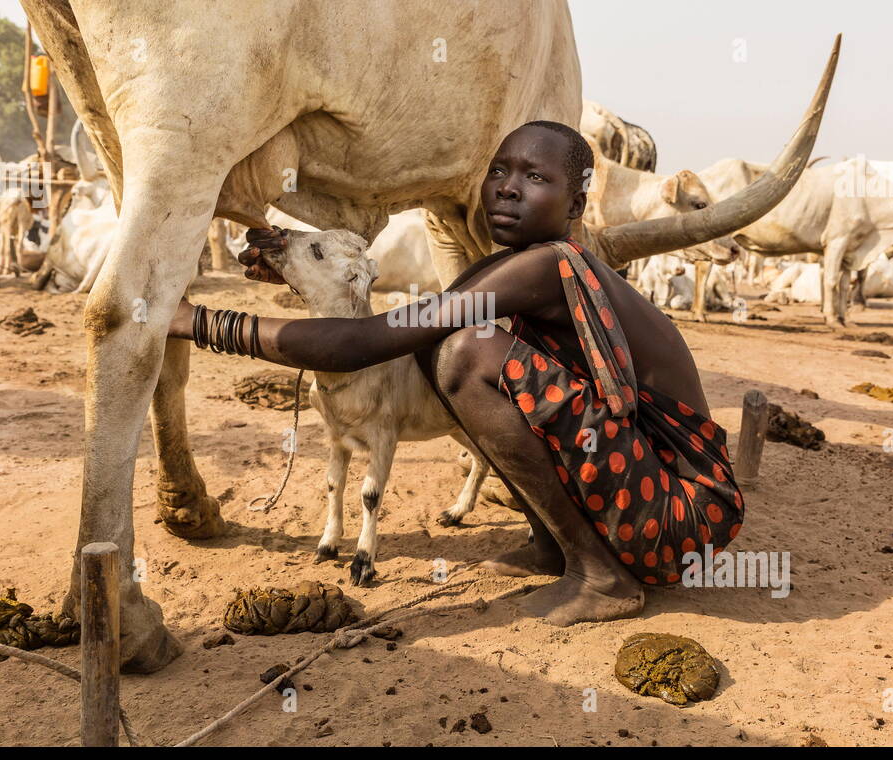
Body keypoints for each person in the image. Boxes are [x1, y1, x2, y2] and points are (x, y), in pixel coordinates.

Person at [168, 120, 743, 625]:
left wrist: (200, 321)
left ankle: (602, 577)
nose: (508, 186)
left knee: (467, 354)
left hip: (682, 517)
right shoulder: (518, 266)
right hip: (646, 489)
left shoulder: (548, 265)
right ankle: (552, 545)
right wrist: (315, 281)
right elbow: (406, 331)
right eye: (499, 170)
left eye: (535, 177)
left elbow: (362, 344)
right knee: (443, 345)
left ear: (575, 206)